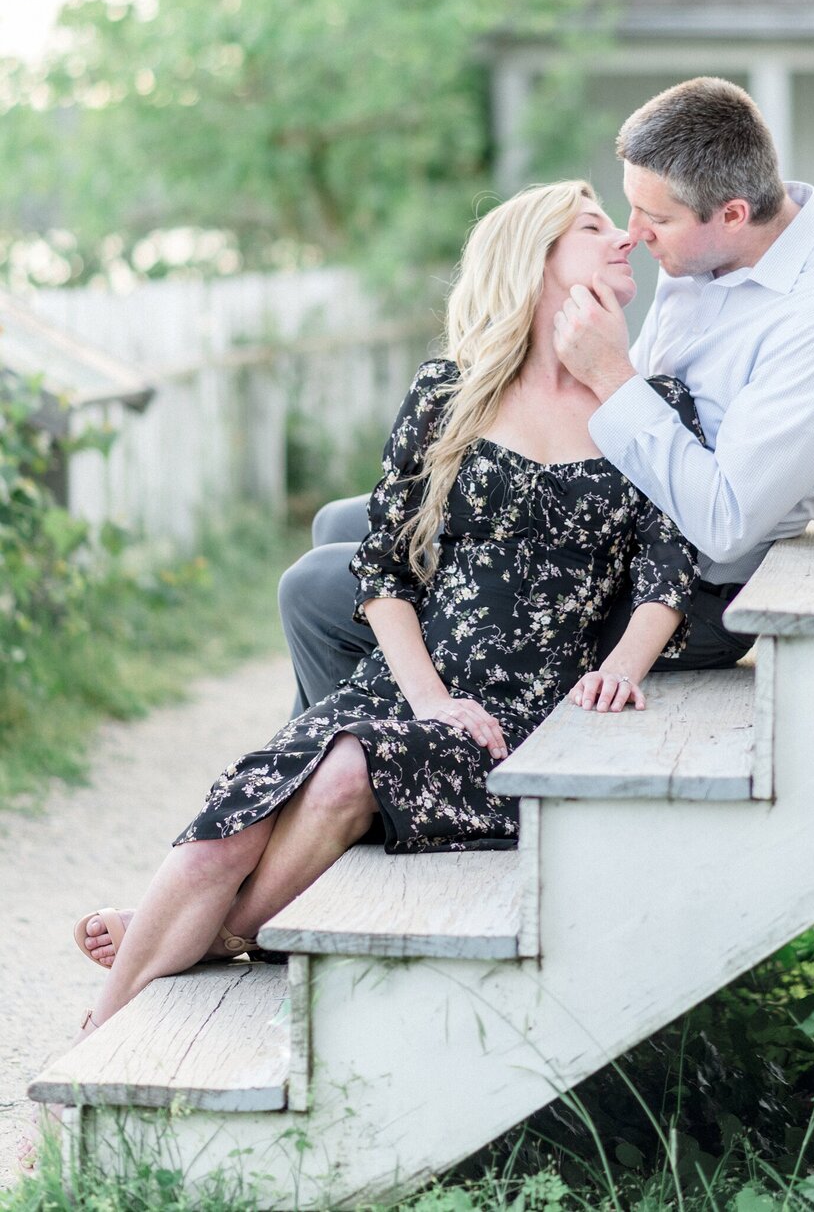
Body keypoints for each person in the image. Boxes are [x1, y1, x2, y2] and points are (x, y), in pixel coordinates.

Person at [71, 181, 699, 1007]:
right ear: (535, 260)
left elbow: (668, 565)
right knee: (222, 834)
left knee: (342, 774)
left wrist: (621, 668)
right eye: (594, 227)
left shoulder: (649, 406)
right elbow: (384, 566)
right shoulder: (450, 393)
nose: (626, 239)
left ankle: (225, 932)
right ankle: (101, 1040)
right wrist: (431, 700)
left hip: (532, 720)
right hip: (417, 686)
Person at [274, 77, 814, 717]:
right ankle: (338, 756)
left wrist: (608, 375)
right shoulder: (703, 254)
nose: (633, 235)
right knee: (344, 526)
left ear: (733, 213)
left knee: (323, 588)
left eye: (654, 219)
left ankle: (367, 775)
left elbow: (724, 522)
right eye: (628, 209)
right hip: (621, 510)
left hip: (693, 585)